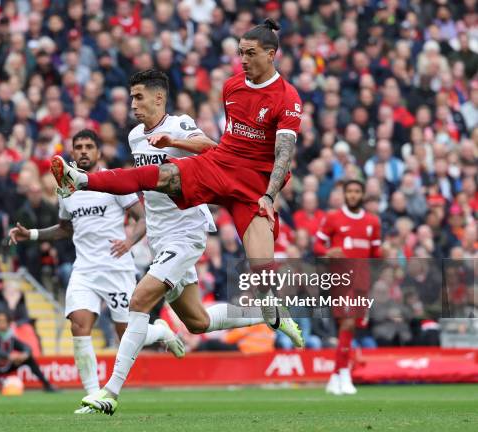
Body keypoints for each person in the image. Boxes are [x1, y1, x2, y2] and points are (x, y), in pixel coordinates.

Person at [52, 63, 304, 415]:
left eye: (139, 97)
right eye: (131, 98)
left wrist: (175, 141)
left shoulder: (179, 124)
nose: (133, 105)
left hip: (186, 232)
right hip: (159, 235)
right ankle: (268, 313)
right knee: (196, 322)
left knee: (138, 300)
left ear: (159, 97)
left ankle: (108, 393)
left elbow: (213, 148)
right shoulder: (134, 136)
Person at [10, 129, 183, 414]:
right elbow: (66, 228)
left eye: (89, 146)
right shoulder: (66, 189)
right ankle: (93, 396)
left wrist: (129, 241)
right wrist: (32, 235)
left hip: (116, 269)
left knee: (125, 333)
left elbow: (142, 218)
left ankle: (159, 331)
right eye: (78, 147)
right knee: (78, 325)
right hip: (84, 270)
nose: (83, 151)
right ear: (72, 152)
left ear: (99, 152)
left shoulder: (113, 182)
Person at [314, 179, 382, 395]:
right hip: (341, 281)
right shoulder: (333, 217)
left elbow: (375, 255)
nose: (353, 195)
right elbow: (317, 244)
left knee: (351, 328)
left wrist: (386, 254)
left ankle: (336, 376)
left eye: (357, 191)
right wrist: (327, 252)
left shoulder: (373, 222)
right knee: (348, 324)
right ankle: (343, 374)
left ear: (362, 195)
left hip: (362, 282)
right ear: (344, 194)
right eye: (349, 191)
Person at [0, 310, 56, 393]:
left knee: (29, 359)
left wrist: (24, 355)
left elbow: (26, 347)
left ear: (8, 322)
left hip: (5, 365)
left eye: (4, 321)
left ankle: (47, 385)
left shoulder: (10, 337)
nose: (2, 323)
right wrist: (7, 356)